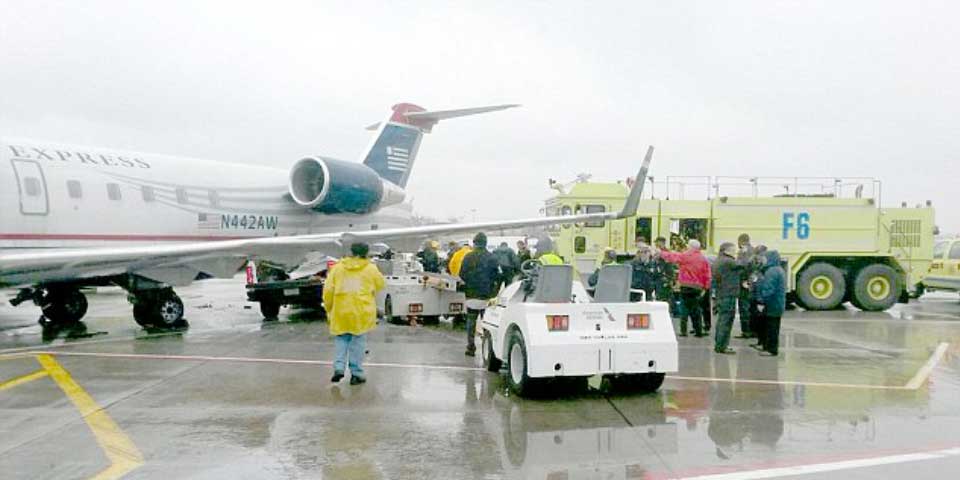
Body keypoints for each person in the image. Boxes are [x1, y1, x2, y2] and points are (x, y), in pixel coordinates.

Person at [322, 242, 386, 385]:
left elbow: (328, 290)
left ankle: (338, 367)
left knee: (341, 338)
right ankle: (356, 373)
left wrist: (329, 307)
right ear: (366, 252)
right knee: (358, 341)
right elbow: (381, 284)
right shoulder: (370, 268)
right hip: (361, 310)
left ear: (351, 251)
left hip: (341, 309)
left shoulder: (338, 268)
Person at [459, 232, 502, 356]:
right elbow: (498, 276)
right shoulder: (492, 258)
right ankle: (487, 349)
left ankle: (470, 347)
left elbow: (462, 274)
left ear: (474, 243)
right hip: (486, 295)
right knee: (487, 323)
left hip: (471, 294)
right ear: (485, 243)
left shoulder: (468, 257)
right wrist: (494, 292)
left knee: (471, 322)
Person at [659, 239, 711, 337]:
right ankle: (698, 331)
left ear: (690, 247)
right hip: (697, 288)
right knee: (696, 309)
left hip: (686, 286)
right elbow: (707, 275)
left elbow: (673, 257)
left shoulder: (686, 256)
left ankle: (683, 331)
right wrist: (705, 288)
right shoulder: (703, 259)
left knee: (684, 308)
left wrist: (661, 253)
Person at [712, 242, 742, 354]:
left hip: (722, 293)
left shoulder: (719, 260)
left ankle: (719, 344)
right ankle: (722, 346)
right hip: (728, 294)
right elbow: (743, 265)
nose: (736, 252)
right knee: (726, 320)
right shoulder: (728, 261)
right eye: (733, 249)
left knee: (721, 320)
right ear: (726, 250)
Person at [756, 250, 786, 356]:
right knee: (772, 327)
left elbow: (768, 289)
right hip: (777, 304)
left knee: (772, 328)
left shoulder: (771, 271)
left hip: (773, 304)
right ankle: (768, 347)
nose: (763, 260)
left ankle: (771, 349)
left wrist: (762, 302)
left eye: (764, 258)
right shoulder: (778, 270)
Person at [734, 233, 755, 339]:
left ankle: (746, 331)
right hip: (752, 283)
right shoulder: (753, 250)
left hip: (744, 283)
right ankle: (753, 330)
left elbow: (742, 265)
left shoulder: (744, 251)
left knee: (744, 307)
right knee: (751, 307)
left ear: (741, 241)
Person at [749, 245, 768, 351]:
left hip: (755, 297)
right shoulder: (761, 264)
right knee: (758, 321)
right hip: (756, 297)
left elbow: (759, 285)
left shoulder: (757, 267)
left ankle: (761, 342)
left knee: (759, 321)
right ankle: (760, 341)